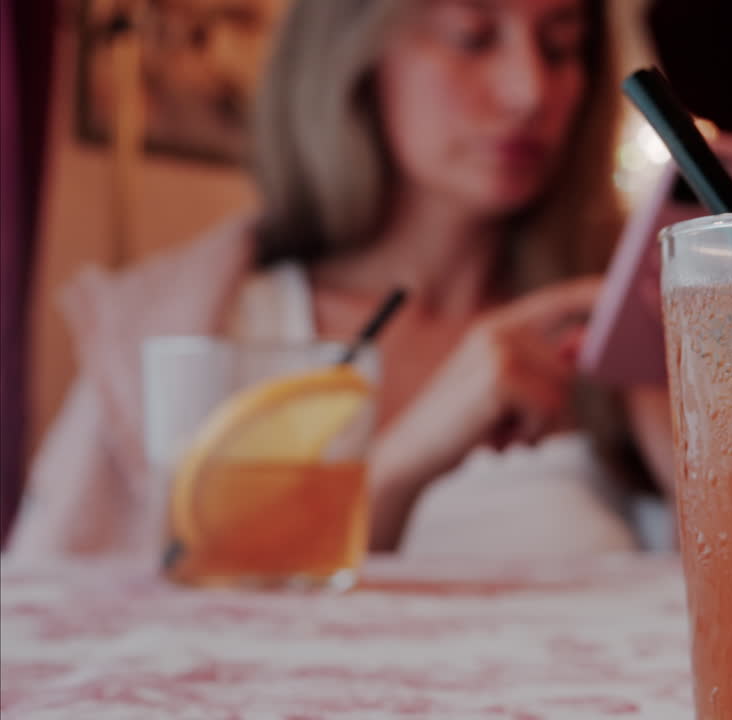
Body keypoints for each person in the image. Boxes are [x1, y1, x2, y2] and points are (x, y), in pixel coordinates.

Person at [11, 0, 675, 561]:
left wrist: (693, 434)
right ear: (352, 58)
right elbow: (56, 629)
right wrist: (412, 451)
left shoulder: (607, 334)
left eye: (561, 49)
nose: (529, 89)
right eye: (471, 37)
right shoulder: (192, 333)